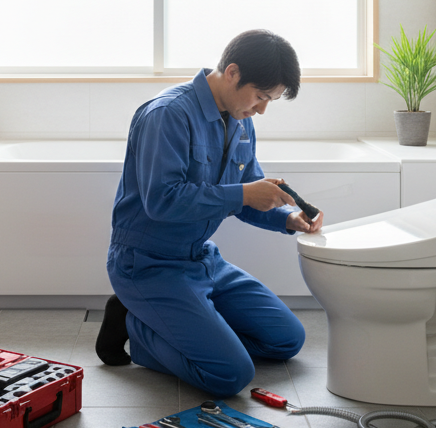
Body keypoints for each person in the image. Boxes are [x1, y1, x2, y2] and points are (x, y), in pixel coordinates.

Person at [94, 30, 324, 396]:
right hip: (147, 264)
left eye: (271, 101)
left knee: (287, 341)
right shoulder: (167, 114)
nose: (262, 109)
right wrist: (245, 193)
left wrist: (287, 219)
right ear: (232, 72)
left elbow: (246, 192)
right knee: (230, 375)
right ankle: (136, 327)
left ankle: (195, 326)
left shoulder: (241, 117)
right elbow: (162, 201)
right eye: (261, 96)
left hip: (203, 260)